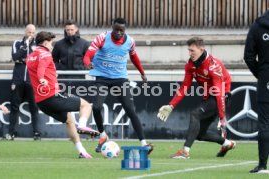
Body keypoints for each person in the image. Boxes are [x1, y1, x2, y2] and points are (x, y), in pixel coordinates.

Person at [157, 37, 236, 159]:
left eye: (192, 51)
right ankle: (227, 144)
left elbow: (219, 92)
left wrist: (222, 118)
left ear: (201, 49)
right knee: (199, 134)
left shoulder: (213, 66)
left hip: (221, 97)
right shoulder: (190, 65)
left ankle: (185, 152)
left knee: (195, 114)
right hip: (209, 97)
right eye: (189, 50)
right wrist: (171, 105)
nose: (190, 53)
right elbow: (184, 87)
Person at [83, 17, 153, 154]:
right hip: (102, 78)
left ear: (125, 30)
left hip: (120, 79)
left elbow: (134, 57)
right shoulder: (102, 37)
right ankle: (103, 135)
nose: (119, 33)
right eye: (116, 30)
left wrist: (142, 73)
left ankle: (144, 144)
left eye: (121, 30)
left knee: (130, 110)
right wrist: (87, 63)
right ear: (112, 28)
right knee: (96, 107)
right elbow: (88, 55)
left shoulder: (130, 42)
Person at [25, 31, 99, 159]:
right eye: (51, 43)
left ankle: (82, 152)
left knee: (69, 121)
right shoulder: (46, 54)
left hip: (41, 102)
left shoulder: (30, 57)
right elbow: (41, 68)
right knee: (86, 106)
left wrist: (47, 76)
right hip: (52, 96)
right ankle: (82, 125)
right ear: (45, 42)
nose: (52, 46)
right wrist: (42, 78)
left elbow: (38, 67)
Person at [5, 24, 41, 141]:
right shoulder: (17, 43)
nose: (30, 34)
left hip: (32, 81)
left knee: (34, 107)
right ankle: (11, 133)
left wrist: (25, 60)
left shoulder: (38, 44)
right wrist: (24, 47)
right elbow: (15, 57)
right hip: (18, 80)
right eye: (29, 32)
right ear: (25, 32)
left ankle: (36, 133)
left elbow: (37, 60)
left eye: (32, 32)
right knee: (14, 106)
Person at [244, 7, 269, 174]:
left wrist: (260, 74)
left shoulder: (257, 26)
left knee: (265, 124)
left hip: (266, 80)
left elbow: (249, 56)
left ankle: (262, 166)